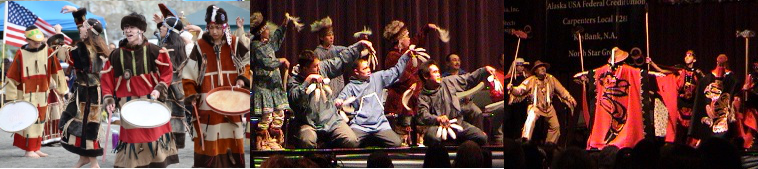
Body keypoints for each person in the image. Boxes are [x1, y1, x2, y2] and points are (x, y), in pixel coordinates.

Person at [101, 12, 178, 168]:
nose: (128, 31)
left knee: (152, 135)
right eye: (126, 28)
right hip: (127, 104)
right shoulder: (116, 55)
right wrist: (108, 98)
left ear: (141, 30)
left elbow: (167, 72)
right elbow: (107, 79)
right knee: (133, 137)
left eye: (132, 27)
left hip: (150, 101)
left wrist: (159, 88)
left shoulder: (155, 51)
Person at [181, 5, 249, 167]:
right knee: (209, 142)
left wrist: (242, 79)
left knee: (231, 142)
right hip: (207, 105)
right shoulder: (199, 46)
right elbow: (188, 74)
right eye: (211, 27)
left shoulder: (235, 43)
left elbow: (247, 64)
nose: (215, 31)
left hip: (232, 104)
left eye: (218, 27)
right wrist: (191, 94)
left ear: (224, 27)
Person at [287, 40, 374, 149]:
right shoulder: (294, 81)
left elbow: (341, 61)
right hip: (309, 123)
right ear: (305, 69)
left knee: (351, 141)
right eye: (315, 67)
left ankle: (327, 147)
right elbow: (295, 99)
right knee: (307, 142)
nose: (319, 69)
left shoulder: (322, 68)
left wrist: (360, 45)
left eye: (318, 65)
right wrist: (307, 82)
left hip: (331, 120)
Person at [4, 25, 69, 158]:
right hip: (26, 92)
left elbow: (57, 70)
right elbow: (11, 76)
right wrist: (11, 98)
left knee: (41, 120)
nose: (38, 43)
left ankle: (36, 147)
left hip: (43, 91)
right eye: (35, 41)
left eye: (39, 41)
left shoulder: (47, 51)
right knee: (29, 120)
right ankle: (29, 150)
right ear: (27, 39)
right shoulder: (20, 54)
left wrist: (62, 89)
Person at [58, 6, 111, 167]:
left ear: (88, 32)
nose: (80, 29)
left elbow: (67, 55)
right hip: (89, 91)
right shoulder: (96, 45)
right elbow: (85, 27)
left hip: (89, 93)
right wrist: (77, 11)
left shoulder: (83, 49)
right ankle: (83, 157)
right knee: (81, 123)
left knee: (88, 125)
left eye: (83, 28)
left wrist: (59, 35)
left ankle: (93, 162)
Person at [382, 21, 446, 146]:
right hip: (402, 97)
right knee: (404, 125)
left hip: (415, 94)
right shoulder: (392, 56)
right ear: (400, 40)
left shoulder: (409, 51)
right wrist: (413, 83)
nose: (409, 38)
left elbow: (417, 41)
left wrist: (426, 28)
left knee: (419, 124)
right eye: (406, 36)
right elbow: (399, 75)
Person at [335, 48, 412, 148]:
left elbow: (395, 71)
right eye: (364, 69)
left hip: (379, 124)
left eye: (368, 67)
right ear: (356, 72)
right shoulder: (351, 87)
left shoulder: (377, 77)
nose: (368, 70)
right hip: (360, 125)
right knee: (351, 143)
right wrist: (338, 101)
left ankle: (374, 139)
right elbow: (341, 98)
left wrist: (405, 57)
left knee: (396, 143)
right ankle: (368, 140)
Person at [416, 60, 497, 146]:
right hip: (438, 127)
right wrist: (437, 119)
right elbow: (423, 114)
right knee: (431, 137)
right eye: (435, 72)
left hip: (457, 123)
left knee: (481, 137)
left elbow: (468, 78)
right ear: (425, 76)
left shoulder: (448, 81)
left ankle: (459, 146)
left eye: (438, 71)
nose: (438, 74)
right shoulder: (423, 96)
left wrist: (484, 70)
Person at [508, 60, 576, 145]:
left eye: (544, 66)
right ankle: (525, 141)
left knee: (556, 126)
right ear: (535, 71)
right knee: (530, 120)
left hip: (548, 107)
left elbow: (561, 90)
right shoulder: (531, 80)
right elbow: (520, 90)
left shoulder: (551, 78)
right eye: (540, 67)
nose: (543, 68)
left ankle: (550, 144)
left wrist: (570, 98)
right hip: (535, 106)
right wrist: (512, 89)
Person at [251, 11, 293, 150]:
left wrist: (284, 25)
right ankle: (263, 141)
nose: (269, 31)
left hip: (274, 87)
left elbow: (276, 40)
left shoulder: (268, 45)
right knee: (266, 117)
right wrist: (280, 60)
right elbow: (267, 63)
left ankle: (274, 140)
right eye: (267, 29)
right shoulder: (256, 47)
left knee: (278, 115)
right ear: (261, 32)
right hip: (263, 88)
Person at [154, 4, 189, 149]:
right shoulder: (177, 44)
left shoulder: (168, 47)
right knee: (174, 114)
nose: (160, 28)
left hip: (169, 87)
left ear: (169, 31)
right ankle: (173, 143)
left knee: (166, 113)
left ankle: (166, 143)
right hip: (176, 87)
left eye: (163, 27)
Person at [688, 54, 740, 146]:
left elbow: (735, 98)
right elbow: (699, 105)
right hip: (709, 123)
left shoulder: (732, 80)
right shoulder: (705, 81)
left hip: (724, 120)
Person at [311, 16, 349, 100]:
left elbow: (349, 51)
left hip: (338, 83)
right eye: (328, 35)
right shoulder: (318, 52)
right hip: (327, 83)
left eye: (332, 34)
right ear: (321, 37)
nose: (331, 37)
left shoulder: (336, 49)